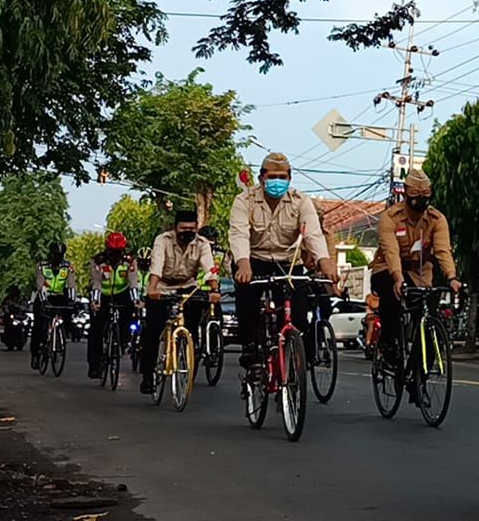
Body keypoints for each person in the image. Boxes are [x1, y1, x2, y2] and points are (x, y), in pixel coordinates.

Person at [229, 152, 339, 370]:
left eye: (282, 177)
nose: (277, 181)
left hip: (288, 262)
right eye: (272, 177)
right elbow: (239, 233)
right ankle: (250, 346)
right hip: (253, 259)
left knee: (297, 316)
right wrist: (243, 263)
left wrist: (325, 263)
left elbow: (313, 235)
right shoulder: (244, 201)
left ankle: (291, 355)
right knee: (246, 298)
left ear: (289, 178)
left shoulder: (301, 201)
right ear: (261, 178)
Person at [368, 168, 462, 373]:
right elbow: (390, 251)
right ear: (405, 194)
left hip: (419, 273)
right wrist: (398, 278)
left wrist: (452, 277)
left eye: (425, 196)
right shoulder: (390, 217)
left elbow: (443, 250)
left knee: (428, 316)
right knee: (391, 297)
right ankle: (389, 346)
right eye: (415, 196)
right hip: (387, 269)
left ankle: (418, 374)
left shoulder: (437, 219)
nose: (420, 201)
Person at [139, 211, 219, 394]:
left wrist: (214, 290)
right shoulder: (163, 240)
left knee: (193, 329)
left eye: (191, 228)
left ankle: (189, 361)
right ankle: (147, 375)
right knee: (153, 330)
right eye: (183, 228)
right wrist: (152, 289)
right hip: (162, 287)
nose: (187, 232)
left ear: (196, 228)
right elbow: (156, 266)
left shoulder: (202, 243)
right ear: (175, 227)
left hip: (188, 287)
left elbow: (209, 267)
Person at [87, 232, 139, 379]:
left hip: (121, 293)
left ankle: (123, 341)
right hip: (102, 294)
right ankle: (94, 366)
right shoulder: (98, 261)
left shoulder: (129, 261)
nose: (116, 255)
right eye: (113, 251)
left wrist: (136, 300)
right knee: (96, 329)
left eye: (119, 251)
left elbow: (133, 282)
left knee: (130, 313)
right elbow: (96, 282)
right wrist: (95, 302)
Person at [31, 242, 75, 369]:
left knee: (69, 311)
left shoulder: (68, 266)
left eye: (60, 255)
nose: (58, 258)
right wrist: (44, 300)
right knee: (39, 326)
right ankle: (35, 354)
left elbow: (71, 284)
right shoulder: (42, 266)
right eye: (55, 255)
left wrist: (72, 300)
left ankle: (64, 334)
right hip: (44, 296)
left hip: (59, 296)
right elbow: (40, 284)